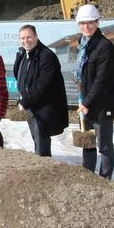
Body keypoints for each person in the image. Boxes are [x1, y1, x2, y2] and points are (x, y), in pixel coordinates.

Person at [73, 5, 114, 179]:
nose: (86, 27)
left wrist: (86, 103)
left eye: (90, 23)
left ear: (98, 22)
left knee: (104, 145)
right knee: (87, 142)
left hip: (101, 105)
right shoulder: (83, 43)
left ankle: (105, 179)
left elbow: (101, 80)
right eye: (82, 23)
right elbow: (85, 73)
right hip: (85, 102)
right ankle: (89, 176)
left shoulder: (105, 47)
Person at [13, 25, 68, 156]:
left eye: (29, 37)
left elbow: (43, 84)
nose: (26, 40)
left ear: (36, 37)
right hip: (30, 106)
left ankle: (44, 169)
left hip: (43, 108)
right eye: (23, 38)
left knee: (41, 143)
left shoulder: (46, 56)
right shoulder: (23, 54)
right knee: (36, 140)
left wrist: (25, 101)